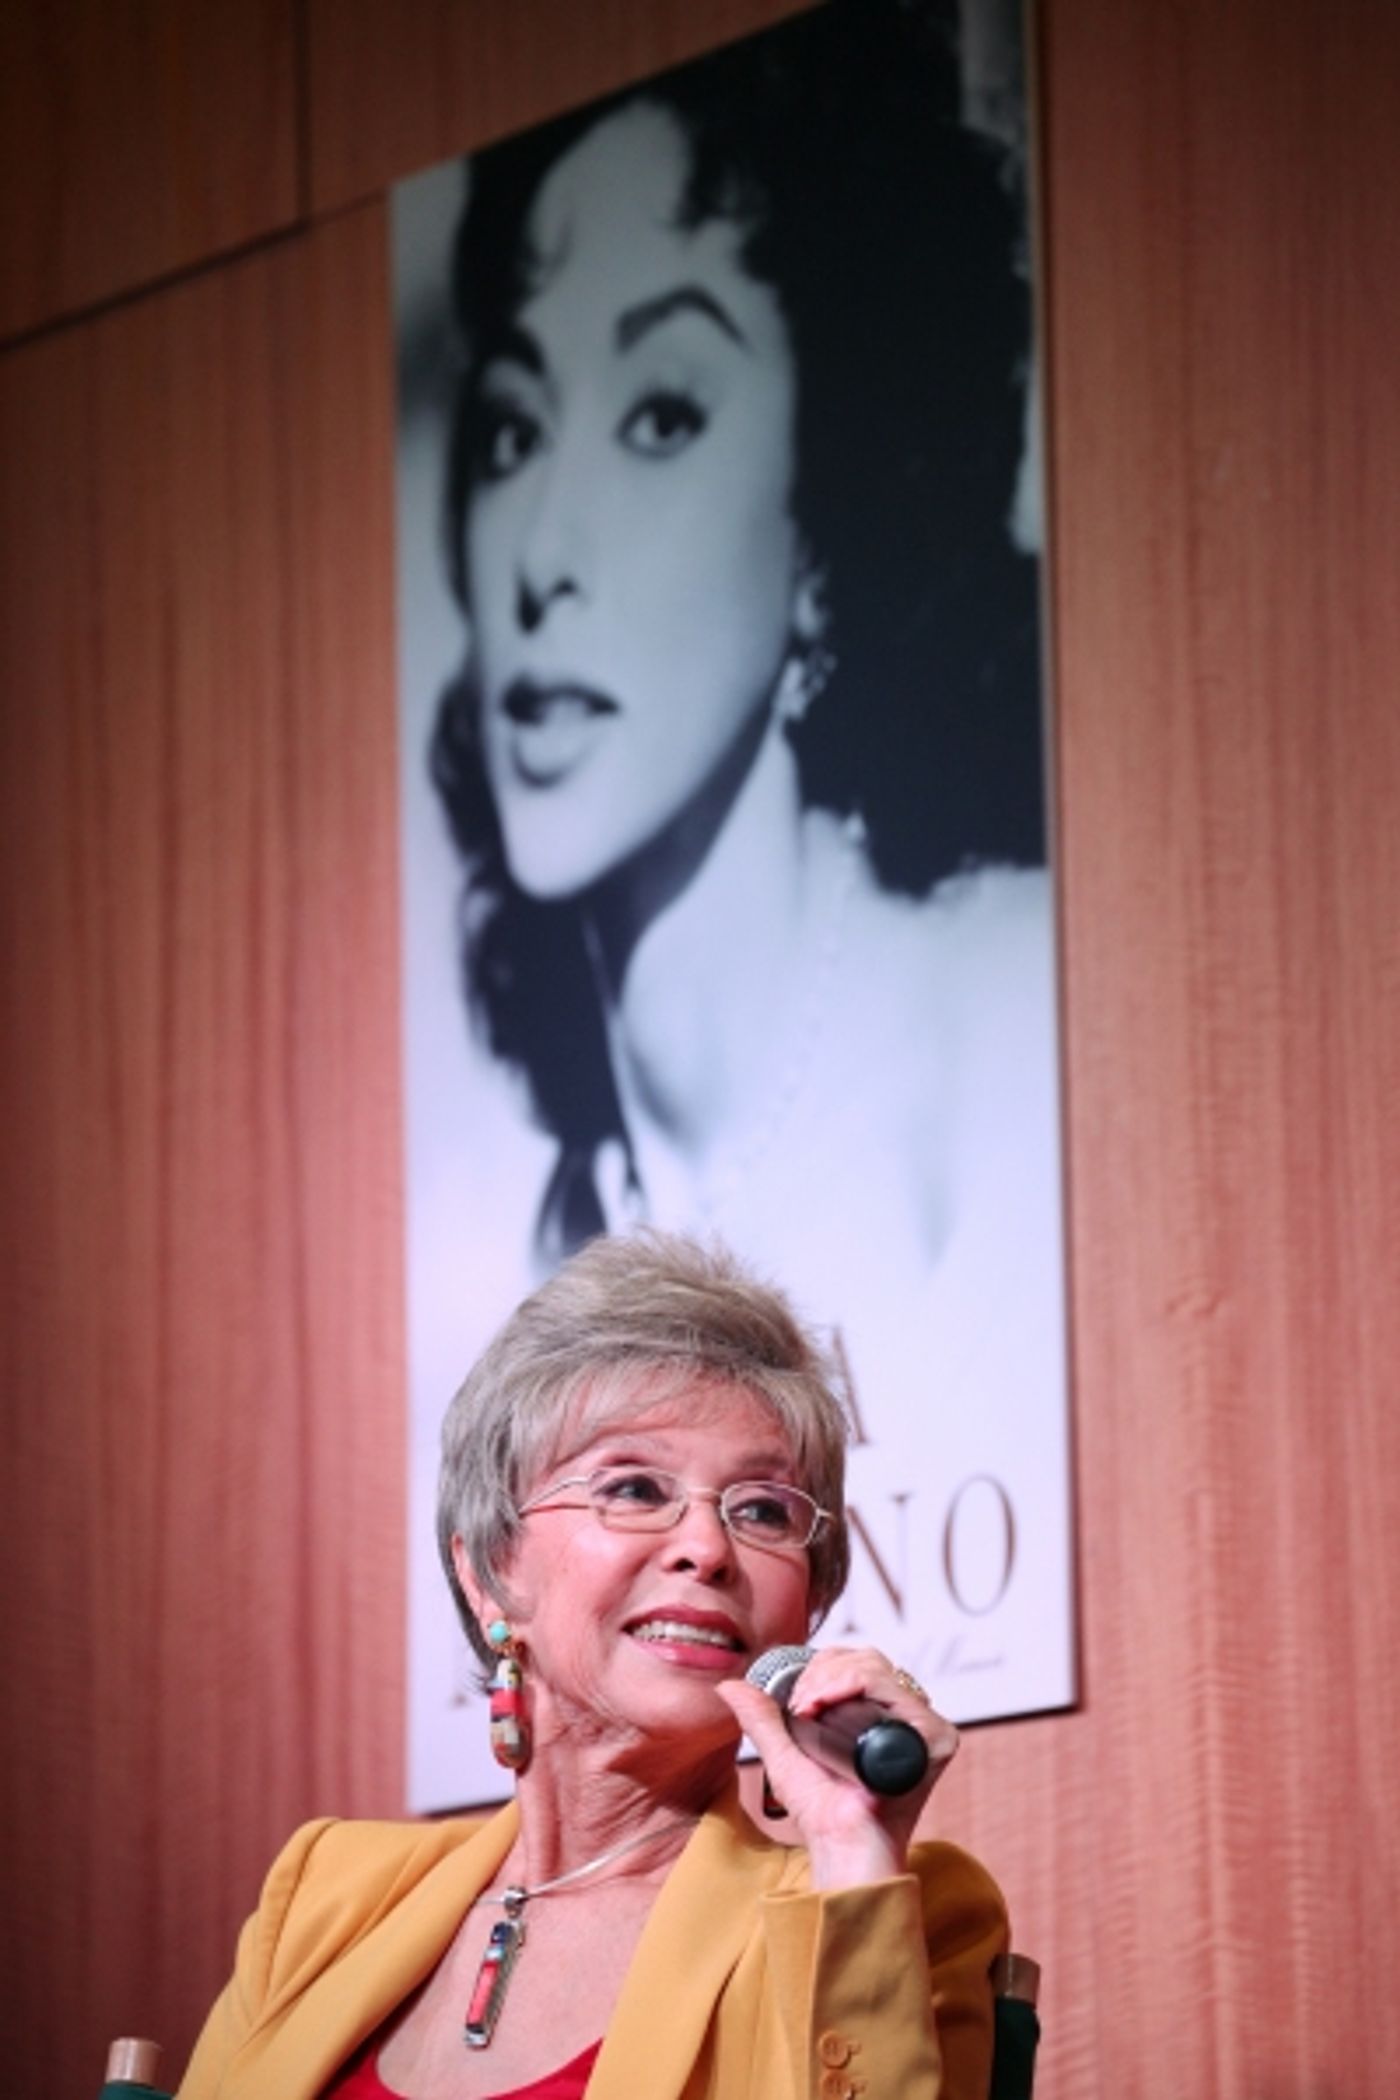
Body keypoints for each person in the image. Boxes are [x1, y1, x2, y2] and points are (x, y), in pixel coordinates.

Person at [426, 0, 1053, 1289]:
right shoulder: (519, 1209)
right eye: (512, 429)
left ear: (825, 520)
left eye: (660, 416)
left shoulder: (1011, 1040)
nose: (541, 554)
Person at [179, 1231, 1008, 2098]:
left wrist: (853, 1855)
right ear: (490, 1572)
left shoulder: (890, 1910)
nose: (705, 1548)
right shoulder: (324, 1896)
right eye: (635, 1489)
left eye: (761, 1509)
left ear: (814, 1599)